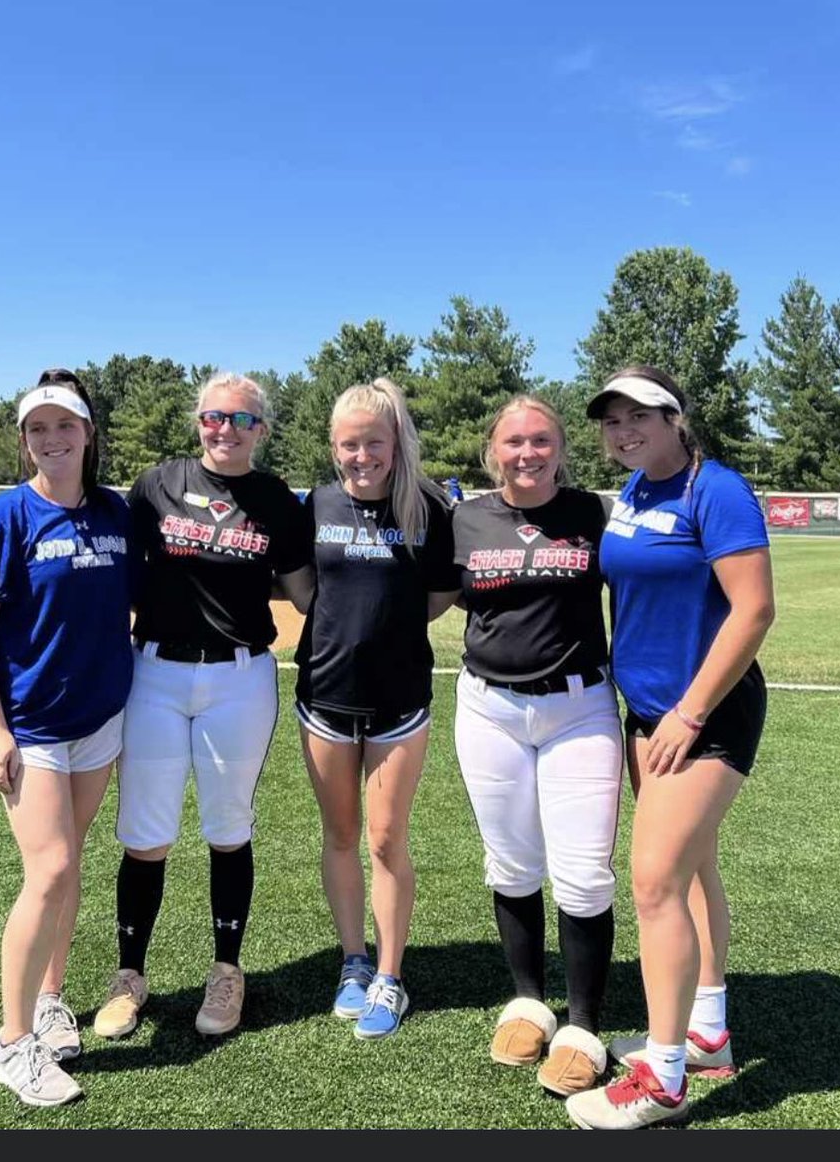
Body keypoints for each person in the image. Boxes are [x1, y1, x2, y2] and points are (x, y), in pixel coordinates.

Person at [565, 366, 775, 1131]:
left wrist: (688, 713)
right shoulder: (631, 494)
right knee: (690, 873)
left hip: (705, 717)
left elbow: (753, 611)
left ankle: (661, 1078)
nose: (623, 430)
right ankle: (706, 1032)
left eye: (639, 416)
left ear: (675, 420)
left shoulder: (712, 489)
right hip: (648, 714)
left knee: (652, 884)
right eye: (611, 420)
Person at [92, 373, 314, 1042]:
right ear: (199, 421)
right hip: (155, 673)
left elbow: (304, 589)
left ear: (262, 431)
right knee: (145, 834)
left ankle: (227, 969)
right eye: (215, 417)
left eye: (242, 420)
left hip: (240, 677)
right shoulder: (157, 484)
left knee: (228, 827)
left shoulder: (275, 498)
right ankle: (130, 975)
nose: (226, 430)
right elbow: (120, 573)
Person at [0, 368, 135, 1107]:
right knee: (51, 869)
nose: (52, 439)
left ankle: (50, 998)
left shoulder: (116, 514)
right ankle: (11, 1044)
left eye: (65, 426)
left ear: (87, 433)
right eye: (38, 429)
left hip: (98, 719)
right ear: (25, 441)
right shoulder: (4, 520)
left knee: (70, 860)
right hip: (31, 726)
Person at [435, 395, 623, 1097]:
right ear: (493, 450)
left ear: (560, 447)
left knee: (581, 873)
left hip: (578, 708)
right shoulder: (466, 518)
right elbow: (433, 595)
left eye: (540, 440)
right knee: (510, 863)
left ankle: (581, 1025)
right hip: (488, 708)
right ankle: (526, 1000)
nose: (527, 453)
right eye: (513, 442)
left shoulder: (591, 514)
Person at [295, 378, 457, 1039]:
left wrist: (385, 630)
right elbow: (304, 590)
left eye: (373, 443)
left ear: (395, 443)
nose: (360, 456)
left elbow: (442, 593)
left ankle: (390, 976)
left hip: (399, 700)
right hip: (324, 697)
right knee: (338, 837)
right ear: (333, 447)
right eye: (348, 445)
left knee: (386, 840)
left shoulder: (426, 506)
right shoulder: (316, 504)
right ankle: (353, 961)